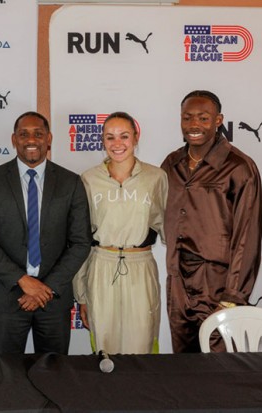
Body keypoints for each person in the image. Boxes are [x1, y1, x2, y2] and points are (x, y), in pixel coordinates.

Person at [0, 111, 91, 355]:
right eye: (23, 134)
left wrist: (45, 289)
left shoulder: (71, 182)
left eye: (38, 133)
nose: (31, 140)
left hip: (53, 299)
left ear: (49, 138)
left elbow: (80, 243)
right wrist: (23, 281)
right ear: (14, 139)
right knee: (6, 372)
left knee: (54, 373)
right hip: (7, 296)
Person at [161, 90, 262, 353]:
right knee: (183, 364)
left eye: (203, 118)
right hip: (178, 281)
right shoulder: (171, 164)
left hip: (217, 283)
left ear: (218, 120)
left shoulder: (239, 167)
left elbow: (247, 235)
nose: (194, 124)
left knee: (219, 364)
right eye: (187, 118)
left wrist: (233, 296)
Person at [72, 112, 167, 355]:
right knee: (105, 348)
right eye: (110, 137)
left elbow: (170, 229)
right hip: (101, 264)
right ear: (102, 140)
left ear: (136, 138)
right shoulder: (88, 179)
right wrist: (81, 294)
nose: (117, 143)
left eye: (124, 136)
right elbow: (80, 239)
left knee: (142, 344)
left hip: (140, 265)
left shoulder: (156, 177)